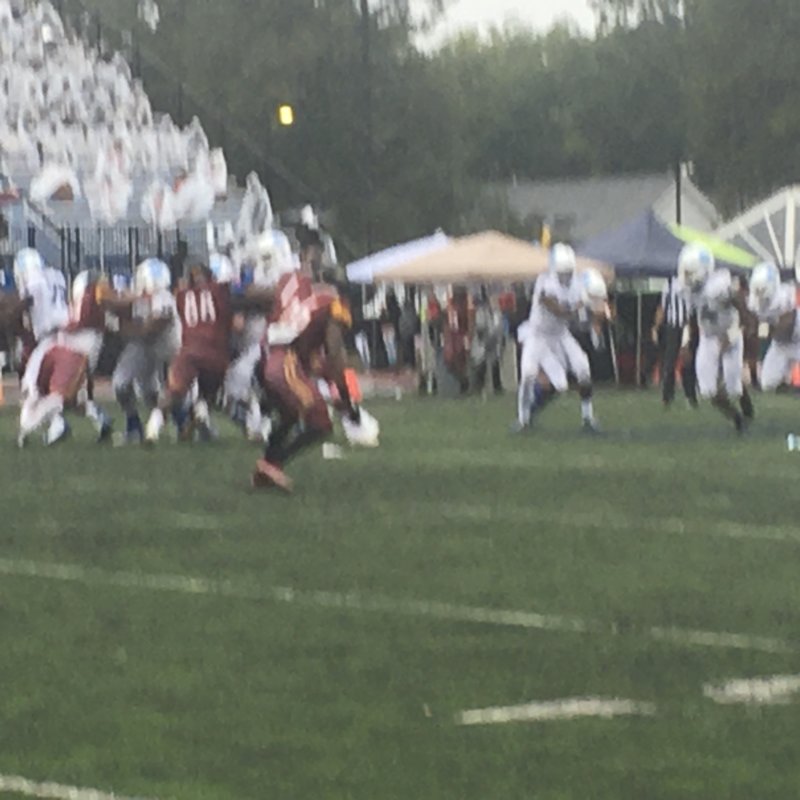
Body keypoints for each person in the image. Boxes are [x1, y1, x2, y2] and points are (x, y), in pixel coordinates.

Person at [252, 266, 367, 493]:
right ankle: (272, 465)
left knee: (290, 414)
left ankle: (267, 467)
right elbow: (334, 354)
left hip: (265, 359)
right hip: (285, 363)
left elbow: (259, 295)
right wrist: (346, 397)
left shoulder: (295, 286)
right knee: (321, 423)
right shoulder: (334, 305)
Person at [516, 245, 603, 432]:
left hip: (560, 334)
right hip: (538, 335)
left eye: (568, 272)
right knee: (528, 374)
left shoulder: (577, 283)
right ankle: (523, 419)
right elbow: (558, 310)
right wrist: (582, 303)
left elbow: (592, 300)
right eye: (563, 272)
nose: (566, 277)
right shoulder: (544, 282)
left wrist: (592, 302)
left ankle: (587, 417)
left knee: (583, 368)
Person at [144, 259, 233, 443]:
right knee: (209, 391)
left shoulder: (182, 295)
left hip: (189, 349)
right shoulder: (220, 290)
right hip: (214, 351)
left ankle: (153, 427)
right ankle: (201, 412)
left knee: (172, 391)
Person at [678, 243, 753, 431]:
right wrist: (686, 342)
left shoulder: (719, 285)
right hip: (709, 337)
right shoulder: (687, 289)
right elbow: (691, 315)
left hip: (729, 333)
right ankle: (737, 419)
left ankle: (747, 409)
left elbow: (742, 311)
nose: (686, 276)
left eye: (690, 271)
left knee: (733, 387)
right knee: (708, 390)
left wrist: (733, 335)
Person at [112, 258, 181, 443]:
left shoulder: (164, 297)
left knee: (178, 389)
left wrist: (123, 328)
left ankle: (181, 421)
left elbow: (152, 329)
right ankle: (134, 426)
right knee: (121, 384)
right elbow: (123, 317)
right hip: (145, 346)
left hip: (169, 347)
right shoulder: (136, 298)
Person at [747, 262, 799, 393]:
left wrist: (767, 331)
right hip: (780, 343)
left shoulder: (784, 295)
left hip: (797, 336)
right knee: (768, 384)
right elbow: (754, 325)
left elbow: (787, 325)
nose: (759, 292)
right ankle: (785, 385)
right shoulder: (753, 301)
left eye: (762, 289)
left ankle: (788, 382)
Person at [651, 275, 697, 407]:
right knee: (669, 362)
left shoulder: (690, 282)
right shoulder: (669, 283)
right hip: (672, 327)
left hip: (686, 325)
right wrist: (656, 327)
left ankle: (690, 395)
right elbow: (663, 306)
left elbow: (692, 306)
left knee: (687, 360)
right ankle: (667, 397)